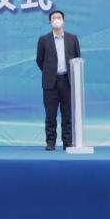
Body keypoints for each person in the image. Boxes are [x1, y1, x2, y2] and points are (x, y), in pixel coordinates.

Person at [36, 10, 80, 151]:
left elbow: (77, 58)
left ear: (63, 20)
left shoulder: (72, 38)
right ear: (50, 22)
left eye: (59, 17)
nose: (56, 20)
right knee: (50, 114)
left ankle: (67, 141)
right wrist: (49, 72)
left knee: (67, 114)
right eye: (54, 18)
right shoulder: (44, 39)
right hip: (50, 82)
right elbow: (39, 60)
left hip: (67, 81)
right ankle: (50, 142)